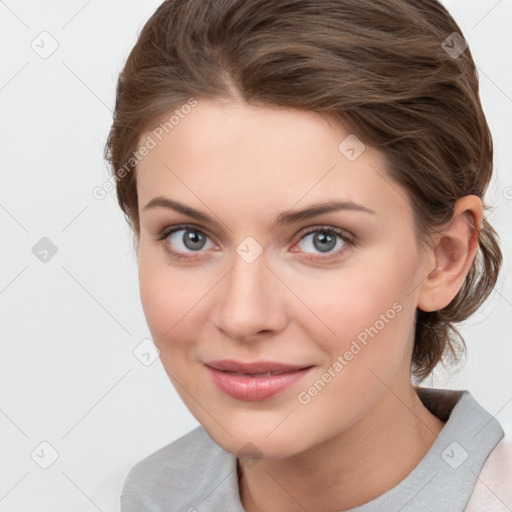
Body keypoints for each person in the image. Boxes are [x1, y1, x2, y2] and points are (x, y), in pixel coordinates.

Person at [104, 0, 512, 510]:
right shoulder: (149, 496)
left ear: (445, 258)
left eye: (323, 239)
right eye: (190, 237)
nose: (243, 315)